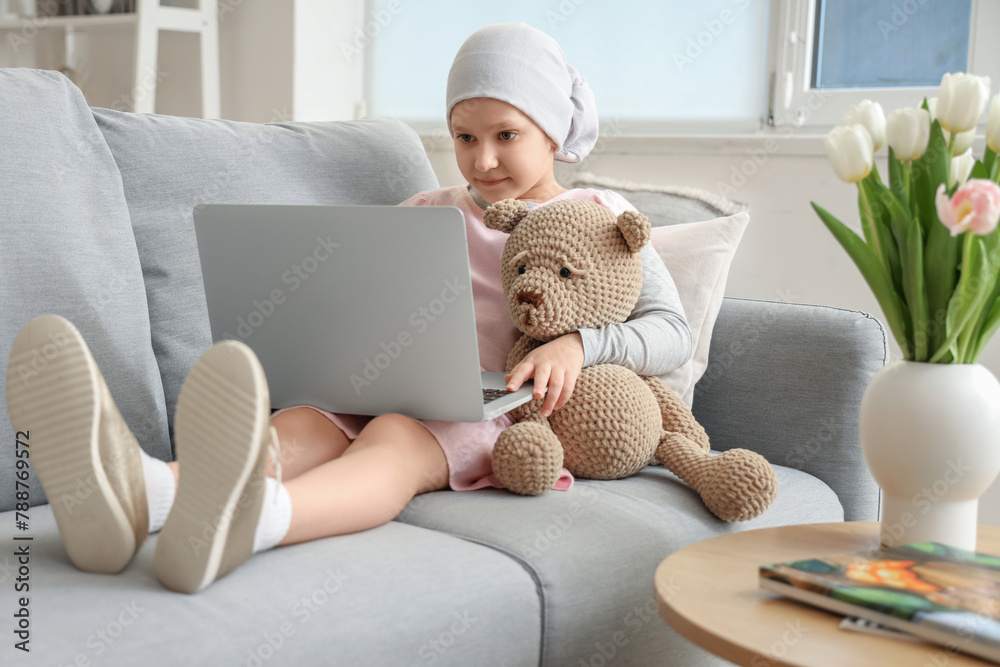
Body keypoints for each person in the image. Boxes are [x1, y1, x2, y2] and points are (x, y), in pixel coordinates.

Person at [5, 22, 692, 595]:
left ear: (552, 127)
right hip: (387, 378)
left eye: (505, 134)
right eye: (463, 136)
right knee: (301, 422)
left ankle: (256, 522)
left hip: (492, 405)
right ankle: (148, 493)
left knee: (393, 436)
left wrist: (580, 344)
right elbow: (364, 291)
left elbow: (671, 331)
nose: (481, 159)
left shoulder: (602, 215)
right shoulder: (427, 211)